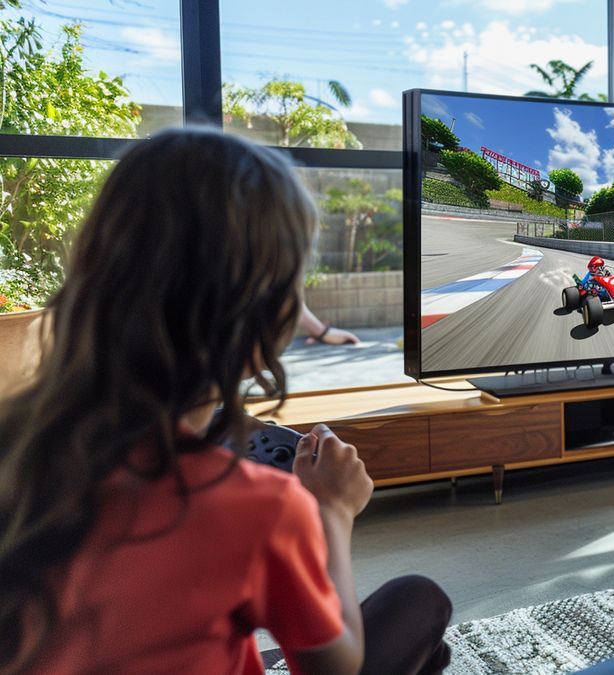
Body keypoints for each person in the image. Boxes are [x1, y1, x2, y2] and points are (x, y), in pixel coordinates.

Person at [0, 129, 452, 674]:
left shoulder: (17, 450)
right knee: (419, 601)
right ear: (264, 316)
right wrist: (332, 511)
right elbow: (335, 669)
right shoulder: (258, 506)